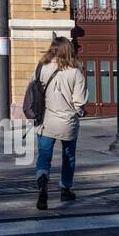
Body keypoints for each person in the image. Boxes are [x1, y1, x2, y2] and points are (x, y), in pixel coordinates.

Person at [33, 36, 88, 211]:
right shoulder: (76, 72)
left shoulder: (42, 68)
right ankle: (65, 188)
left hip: (46, 120)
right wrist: (79, 111)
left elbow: (34, 91)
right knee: (68, 156)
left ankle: (42, 183)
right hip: (67, 121)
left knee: (44, 155)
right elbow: (79, 101)